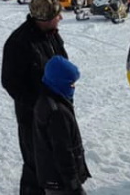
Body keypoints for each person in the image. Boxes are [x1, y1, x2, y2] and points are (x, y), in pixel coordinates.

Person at [2, 0, 67, 194]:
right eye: (57, 15)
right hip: (33, 117)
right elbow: (11, 82)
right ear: (45, 18)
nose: (61, 18)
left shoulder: (52, 33)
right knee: (36, 166)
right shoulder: (19, 42)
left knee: (59, 162)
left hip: (59, 111)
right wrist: (39, 105)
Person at [33, 56, 91, 195]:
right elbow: (62, 152)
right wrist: (73, 184)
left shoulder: (47, 100)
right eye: (71, 84)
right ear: (60, 82)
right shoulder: (57, 113)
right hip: (62, 183)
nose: (73, 87)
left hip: (55, 179)